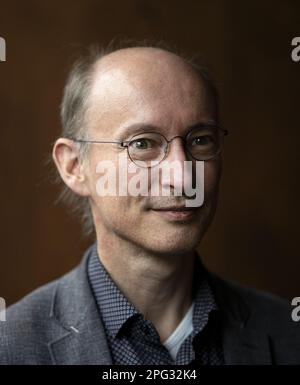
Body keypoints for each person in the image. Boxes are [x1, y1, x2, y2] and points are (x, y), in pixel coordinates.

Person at [0, 42, 299, 365]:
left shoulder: (288, 333)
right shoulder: (11, 348)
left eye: (200, 140)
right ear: (75, 166)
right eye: (142, 143)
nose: (182, 177)